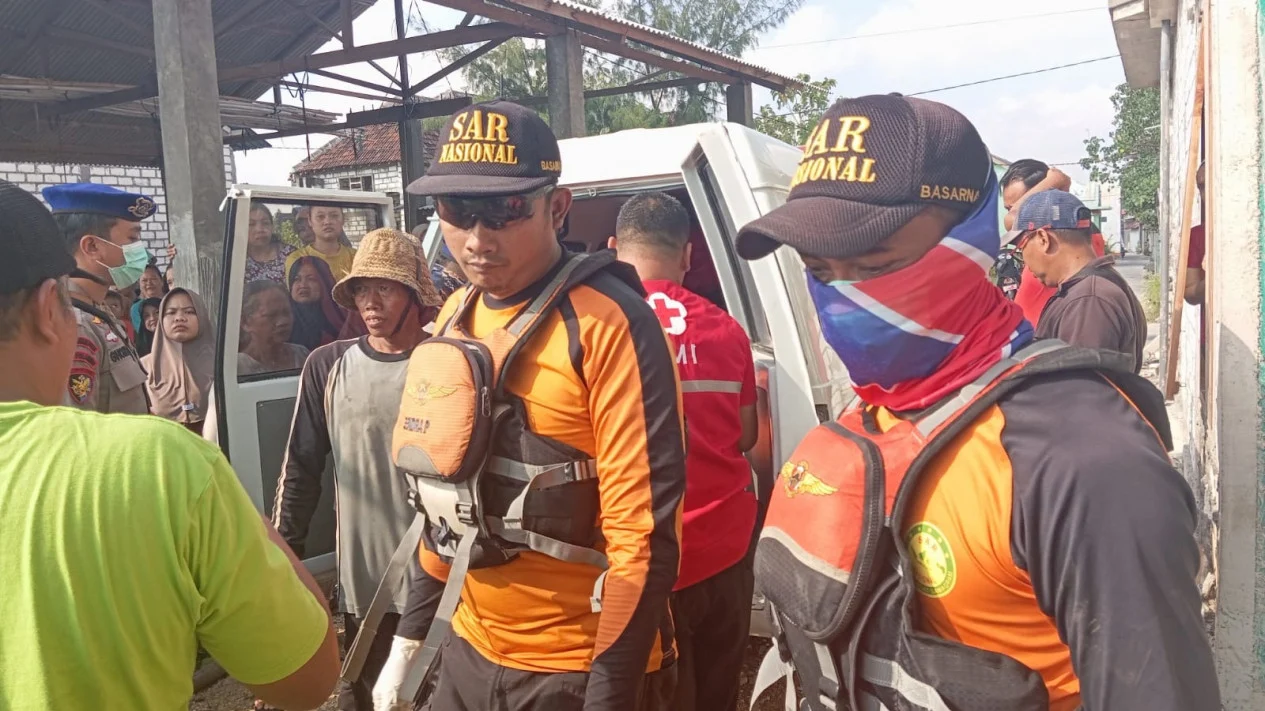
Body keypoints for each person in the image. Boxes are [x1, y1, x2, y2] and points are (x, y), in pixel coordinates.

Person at [735, 94, 1218, 711]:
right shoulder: (872, 415)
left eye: (873, 262)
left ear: (972, 244)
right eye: (819, 271)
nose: (843, 299)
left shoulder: (1080, 459)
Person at [374, 100, 686, 711]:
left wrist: (609, 693)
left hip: (577, 664)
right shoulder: (454, 316)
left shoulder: (611, 324)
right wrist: (408, 638)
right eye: (456, 211)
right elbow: (446, 501)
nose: (477, 237)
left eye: (505, 210)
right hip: (470, 644)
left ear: (558, 206)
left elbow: (642, 537)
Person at [0, 179, 340, 710]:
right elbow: (308, 677)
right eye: (130, 238)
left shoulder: (102, 321)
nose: (139, 252)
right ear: (49, 308)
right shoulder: (156, 460)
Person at [274, 228, 444, 711]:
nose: (370, 302)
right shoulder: (327, 365)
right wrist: (286, 559)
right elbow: (301, 467)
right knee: (365, 697)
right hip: (363, 584)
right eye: (361, 289)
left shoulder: (448, 364)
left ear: (415, 296)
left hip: (437, 581)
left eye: (385, 289)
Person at [608, 192, 758, 711]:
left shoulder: (598, 329)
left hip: (642, 560)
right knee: (717, 691)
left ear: (612, 249)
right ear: (689, 255)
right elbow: (745, 436)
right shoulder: (727, 329)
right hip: (724, 550)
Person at [1006, 190, 1148, 372]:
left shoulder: (1088, 300)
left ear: (1043, 239)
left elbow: (1082, 393)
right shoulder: (1095, 286)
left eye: (1021, 247)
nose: (1024, 260)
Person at [43, 182, 153, 414]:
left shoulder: (96, 309)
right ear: (92, 246)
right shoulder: (75, 325)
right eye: (132, 239)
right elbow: (79, 433)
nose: (140, 250)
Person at [999, 159, 1106, 324]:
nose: (1015, 212)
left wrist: (1055, 180)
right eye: (1008, 208)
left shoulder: (1068, 244)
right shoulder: (1048, 245)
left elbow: (1012, 220)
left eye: (1020, 204)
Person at [142, 288, 215, 434]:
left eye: (189, 311)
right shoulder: (143, 367)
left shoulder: (227, 363)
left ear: (202, 316)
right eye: (171, 312)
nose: (179, 318)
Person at [239, 280, 309, 376]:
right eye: (272, 315)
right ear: (245, 322)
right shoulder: (237, 368)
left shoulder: (301, 355)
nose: (283, 322)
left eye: (286, 312)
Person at [288, 256, 348, 351]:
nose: (303, 285)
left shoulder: (343, 319)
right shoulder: (282, 320)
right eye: (297, 279)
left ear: (325, 283)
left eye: (311, 279)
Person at [286, 206, 356, 281]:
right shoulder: (297, 259)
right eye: (320, 216)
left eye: (334, 216)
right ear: (310, 221)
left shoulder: (356, 257)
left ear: (343, 219)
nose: (327, 222)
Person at [247, 202, 298, 283]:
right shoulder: (235, 258)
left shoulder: (291, 254)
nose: (260, 229)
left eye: (265, 223)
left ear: (272, 226)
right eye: (251, 224)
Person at [1185, 161, 1207, 306]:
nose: (1204, 193)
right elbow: (1189, 293)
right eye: (1201, 187)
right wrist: (1211, 280)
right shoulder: (1198, 235)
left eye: (1208, 184)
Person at [130, 262, 169, 332]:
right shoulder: (136, 308)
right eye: (144, 280)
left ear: (162, 281)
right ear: (139, 284)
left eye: (153, 279)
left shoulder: (172, 300)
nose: (149, 283)